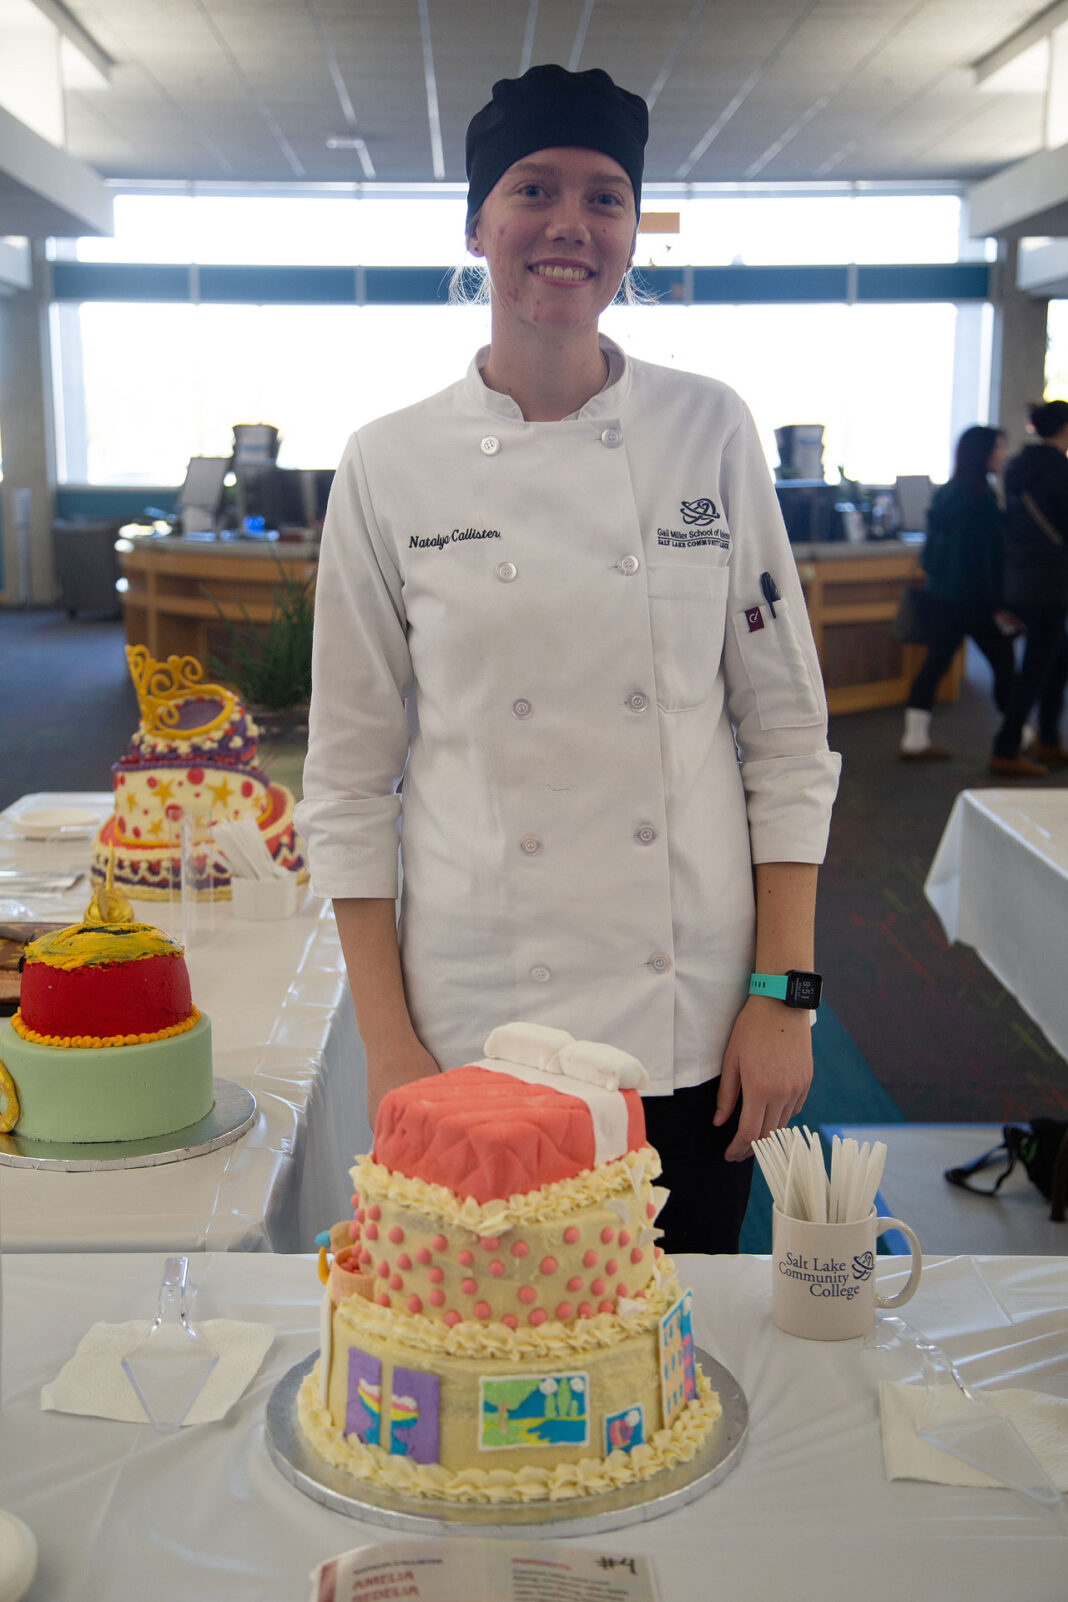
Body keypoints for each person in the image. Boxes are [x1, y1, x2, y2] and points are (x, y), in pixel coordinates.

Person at [295, 64, 840, 1254]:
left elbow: (790, 737)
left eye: (606, 198)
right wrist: (389, 1043)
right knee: (499, 1365)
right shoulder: (389, 463)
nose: (569, 226)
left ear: (632, 230)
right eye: (534, 189)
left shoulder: (711, 427)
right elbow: (346, 778)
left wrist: (783, 998)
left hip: (692, 1012)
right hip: (478, 1018)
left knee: (683, 1338)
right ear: (479, 224)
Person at [899, 426, 1015, 762]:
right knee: (1005, 665)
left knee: (934, 665)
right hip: (976, 599)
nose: (1002, 455)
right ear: (984, 453)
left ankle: (914, 738)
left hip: (942, 596)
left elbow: (931, 552)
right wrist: (1002, 603)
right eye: (999, 448)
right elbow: (989, 557)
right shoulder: (982, 498)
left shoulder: (947, 492)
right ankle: (1019, 735)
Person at [989, 399, 1068, 777]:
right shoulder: (1060, 471)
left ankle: (1049, 739)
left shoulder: (1018, 466)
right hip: (1052, 583)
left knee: (1055, 659)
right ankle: (1006, 748)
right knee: (1037, 667)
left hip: (1022, 578)